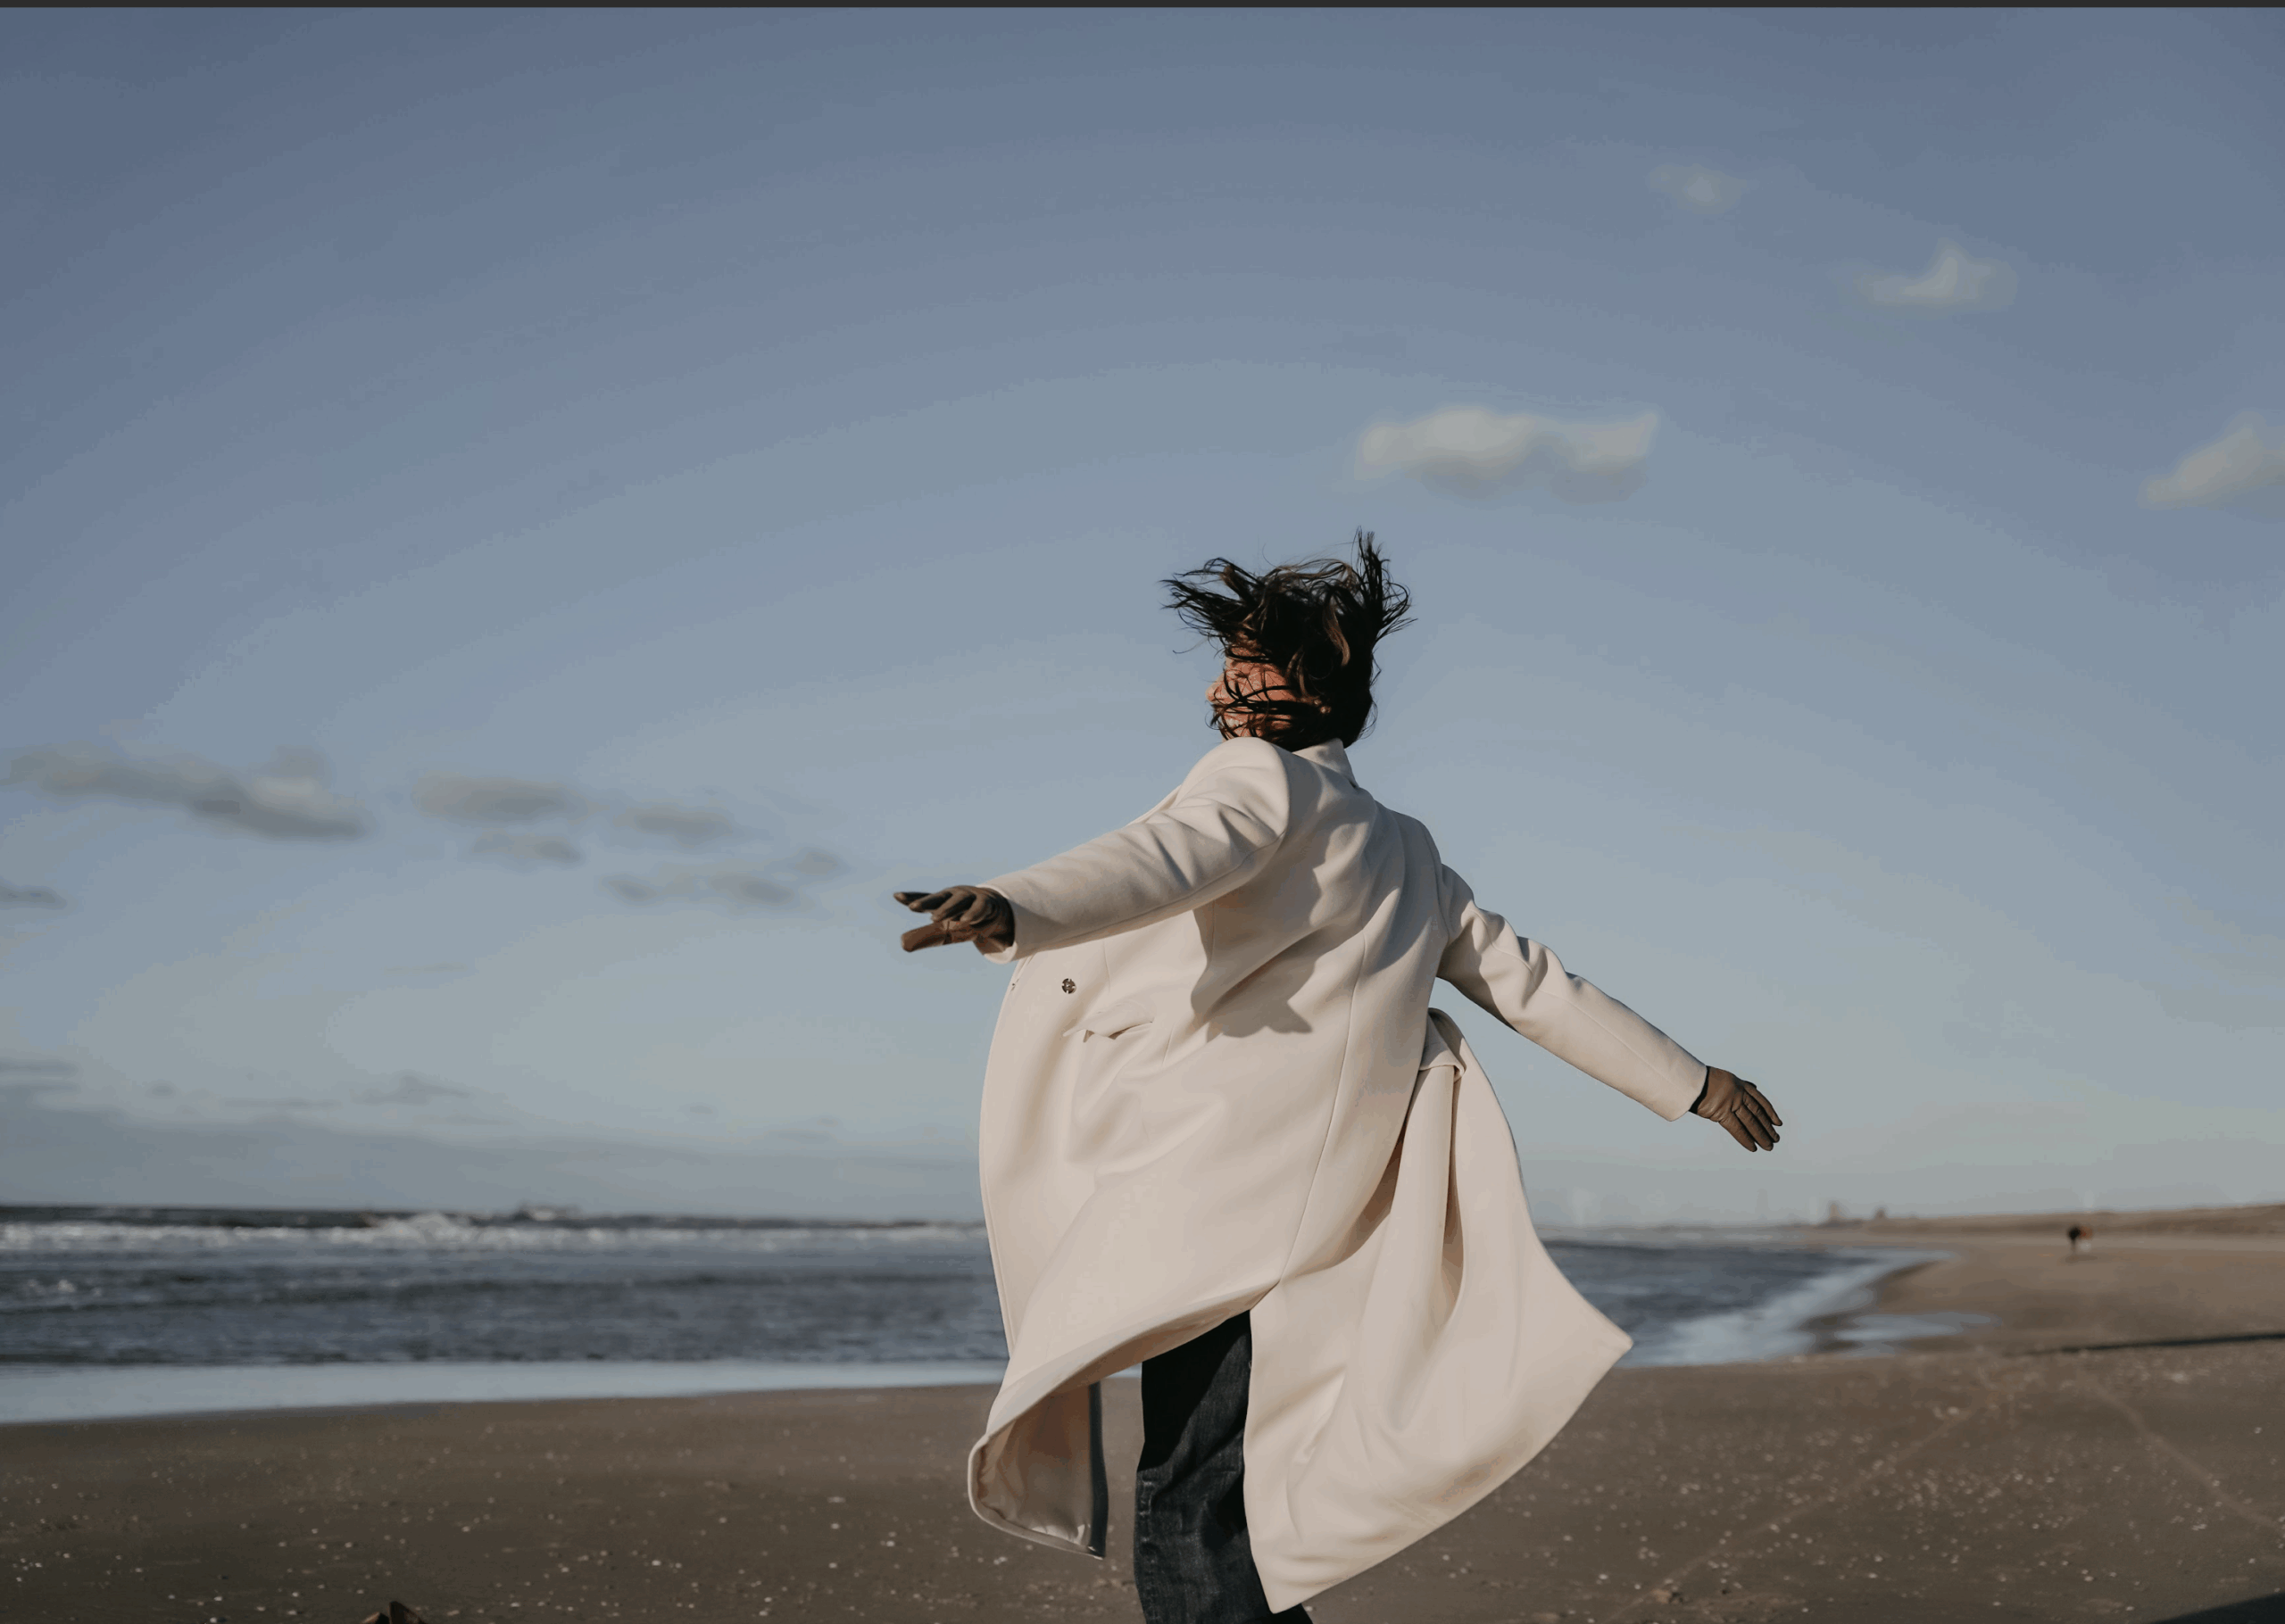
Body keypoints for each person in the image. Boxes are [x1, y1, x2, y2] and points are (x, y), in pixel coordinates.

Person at [894, 534, 1782, 1624]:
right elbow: (1535, 983)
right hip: (1332, 1215)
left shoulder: (1256, 784)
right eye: (1223, 661)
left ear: (1319, 685)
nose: (1220, 685)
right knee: (1232, 1492)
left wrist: (1020, 902)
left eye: (1247, 663)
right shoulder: (1406, 846)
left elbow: (1169, 854)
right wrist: (1689, 1078)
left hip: (1207, 1201)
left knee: (1189, 1495)